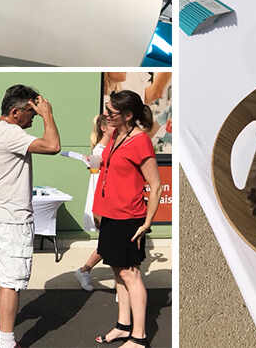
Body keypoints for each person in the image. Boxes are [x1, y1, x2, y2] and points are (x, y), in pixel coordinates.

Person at [0, 85, 61, 348]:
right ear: (15, 112)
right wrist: (48, 115)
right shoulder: (11, 134)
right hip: (13, 220)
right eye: (30, 112)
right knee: (10, 282)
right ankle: (7, 342)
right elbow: (53, 146)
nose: (33, 117)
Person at [92, 91, 163, 348]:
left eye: (112, 112)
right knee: (117, 272)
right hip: (110, 215)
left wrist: (147, 222)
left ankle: (139, 336)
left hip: (128, 218)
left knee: (131, 274)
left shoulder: (140, 141)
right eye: (107, 110)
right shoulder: (115, 135)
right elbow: (105, 168)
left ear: (128, 115)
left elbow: (156, 185)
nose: (107, 115)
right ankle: (123, 326)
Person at [74, 114, 114, 292]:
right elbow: (97, 178)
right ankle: (85, 270)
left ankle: (85, 270)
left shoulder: (110, 147)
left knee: (110, 244)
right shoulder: (100, 150)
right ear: (104, 128)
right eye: (113, 125)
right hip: (105, 202)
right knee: (110, 243)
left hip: (110, 201)